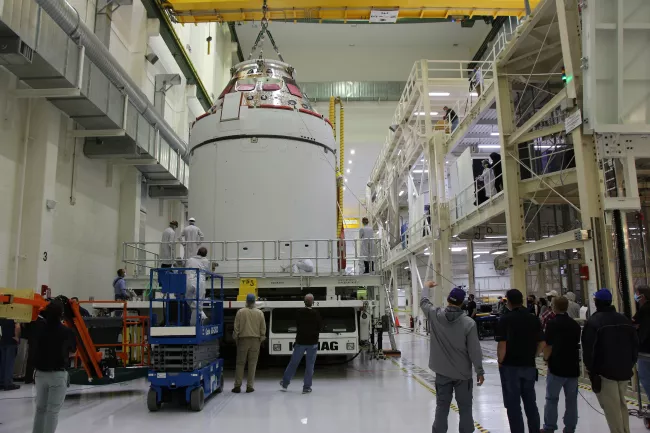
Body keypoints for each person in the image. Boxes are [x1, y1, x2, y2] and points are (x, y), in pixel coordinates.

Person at [420, 282, 484, 433]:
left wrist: (426, 287)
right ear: (462, 303)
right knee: (466, 408)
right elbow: (474, 350)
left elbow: (424, 302)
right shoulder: (469, 323)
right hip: (463, 374)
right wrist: (479, 371)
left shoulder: (435, 315)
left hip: (442, 373)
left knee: (442, 407)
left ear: (448, 299)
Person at [582, 289, 638, 433]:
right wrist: (630, 363)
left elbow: (589, 350)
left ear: (596, 302)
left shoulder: (594, 322)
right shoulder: (624, 319)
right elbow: (634, 344)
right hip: (624, 370)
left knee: (612, 408)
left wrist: (591, 370)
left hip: (605, 373)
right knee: (621, 404)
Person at [496, 288, 544, 433]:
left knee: (513, 405)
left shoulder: (505, 319)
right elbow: (542, 342)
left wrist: (500, 361)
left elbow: (502, 344)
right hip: (528, 366)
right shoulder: (533, 318)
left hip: (510, 367)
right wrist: (533, 355)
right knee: (530, 402)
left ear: (508, 302)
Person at [31, 301, 76, 433]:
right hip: (57, 374)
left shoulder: (38, 329)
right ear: (61, 314)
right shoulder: (66, 331)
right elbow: (73, 351)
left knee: (40, 409)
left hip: (40, 374)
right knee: (52, 411)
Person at [542, 296, 581, 433]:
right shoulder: (574, 324)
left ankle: (549, 427)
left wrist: (546, 359)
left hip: (557, 367)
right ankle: (570, 428)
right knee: (571, 401)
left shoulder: (552, 324)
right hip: (572, 367)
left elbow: (548, 345)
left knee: (552, 398)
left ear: (553, 307)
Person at [280, 294, 323, 393]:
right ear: (312, 302)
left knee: (293, 363)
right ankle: (306, 387)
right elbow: (320, 326)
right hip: (312, 343)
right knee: (310, 365)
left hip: (300, 342)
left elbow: (297, 324)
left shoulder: (298, 313)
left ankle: (285, 383)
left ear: (304, 301)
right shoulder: (316, 313)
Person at [232, 293, 266, 393]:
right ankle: (249, 386)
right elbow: (263, 328)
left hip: (243, 340)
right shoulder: (260, 313)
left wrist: (236, 338)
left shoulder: (240, 312)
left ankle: (237, 386)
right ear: (254, 302)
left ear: (246, 301)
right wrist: (261, 338)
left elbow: (236, 327)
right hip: (255, 340)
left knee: (240, 363)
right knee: (252, 364)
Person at [634, 285, 650, 408]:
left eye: (637, 294)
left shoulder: (644, 309)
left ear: (642, 296)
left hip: (645, 349)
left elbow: (633, 323)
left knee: (645, 377)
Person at [186, 247, 210, 326]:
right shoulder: (205, 261)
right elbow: (207, 272)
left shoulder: (190, 259)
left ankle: (201, 317)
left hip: (189, 281)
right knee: (198, 304)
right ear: (205, 254)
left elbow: (186, 269)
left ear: (197, 252)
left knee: (190, 300)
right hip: (200, 282)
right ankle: (196, 323)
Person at [0, 319, 21, 390]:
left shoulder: (2, 316)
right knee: (9, 363)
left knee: (3, 363)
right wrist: (17, 337)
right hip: (11, 341)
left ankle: (1, 382)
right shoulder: (14, 316)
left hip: (3, 341)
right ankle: (8, 383)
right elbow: (17, 327)